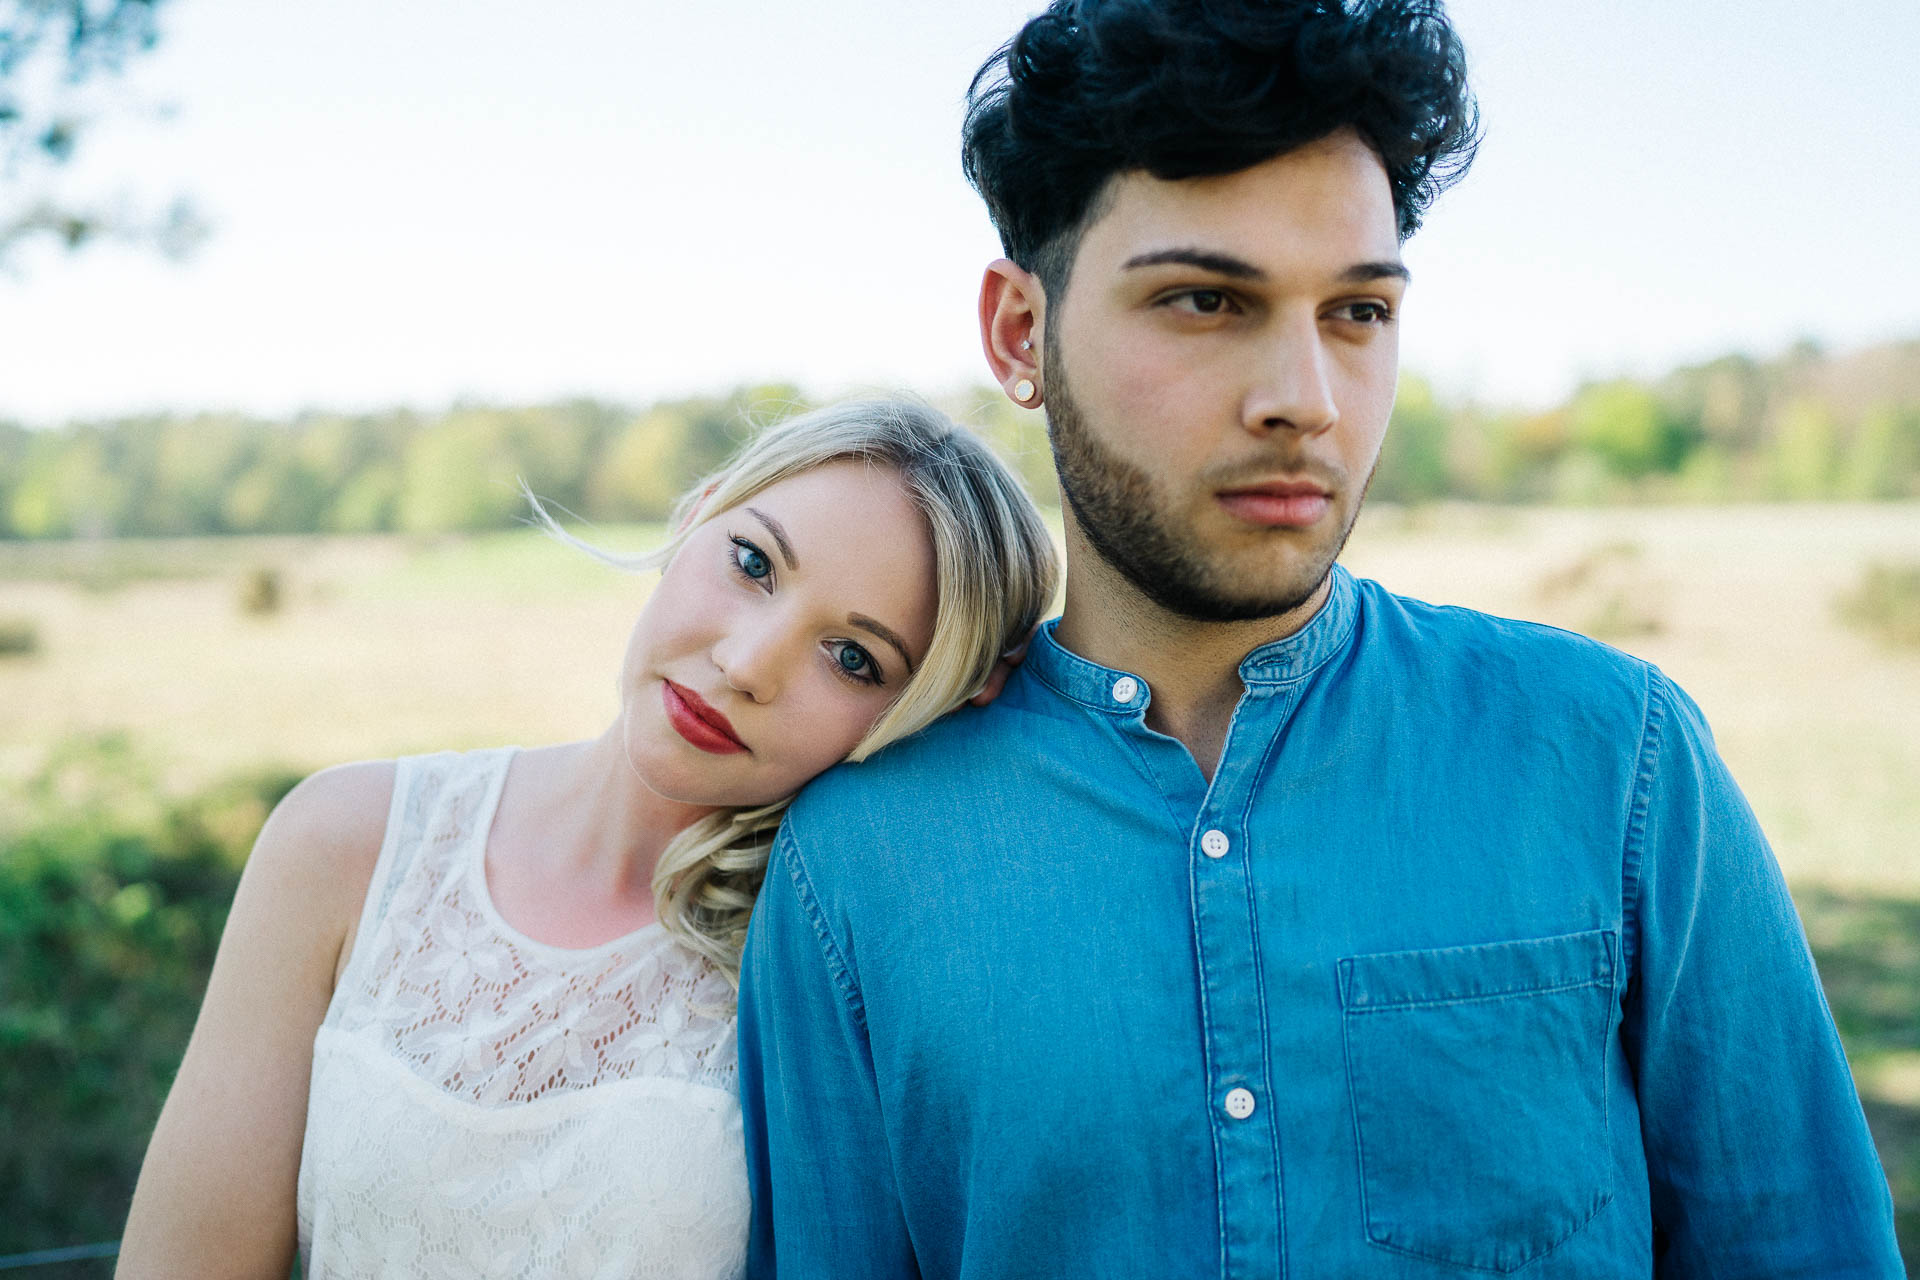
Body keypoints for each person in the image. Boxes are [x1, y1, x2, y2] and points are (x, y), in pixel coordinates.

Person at [736, 2, 1906, 1275]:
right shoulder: (855, 867)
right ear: (1023, 332)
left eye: (1357, 312)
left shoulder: (1615, 759)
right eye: (1203, 300)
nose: (1304, 398)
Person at [115, 397, 1059, 1280]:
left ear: (927, 710)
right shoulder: (343, 842)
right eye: (753, 564)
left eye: (853, 658)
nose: (743, 664)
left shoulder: (839, 971)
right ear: (696, 514)